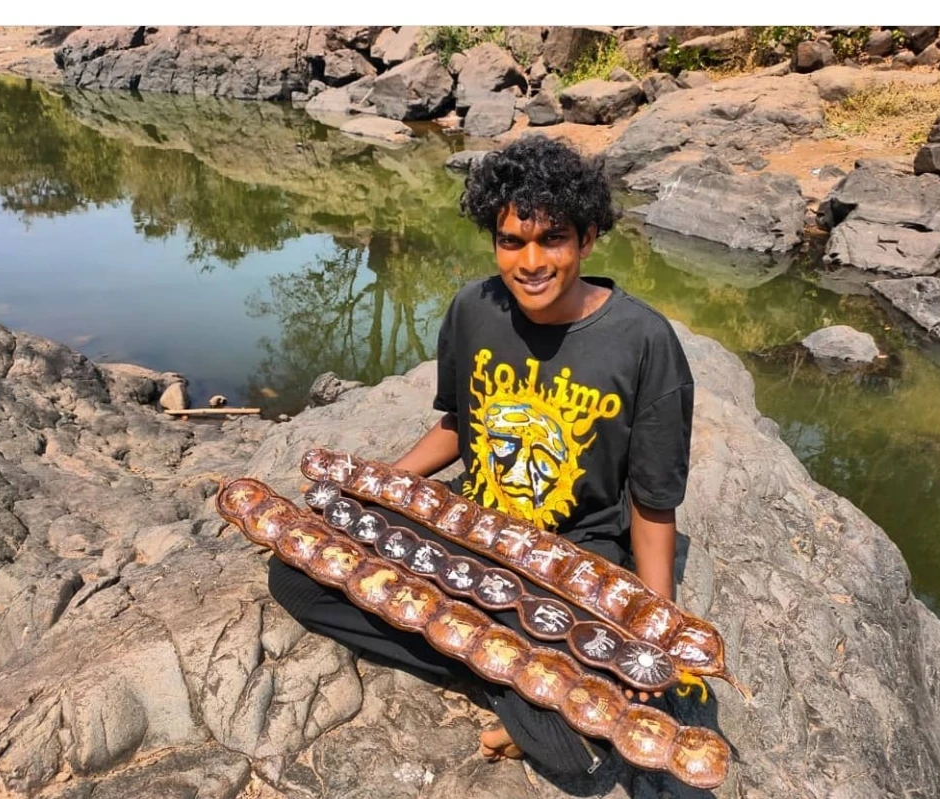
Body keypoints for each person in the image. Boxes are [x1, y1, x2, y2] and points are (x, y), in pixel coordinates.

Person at [268, 135, 694, 777]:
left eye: (552, 239)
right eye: (511, 241)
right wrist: (379, 488)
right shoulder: (476, 309)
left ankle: (507, 668)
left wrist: (649, 631)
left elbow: (654, 506)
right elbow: (459, 426)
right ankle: (506, 673)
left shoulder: (644, 342)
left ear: (587, 238)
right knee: (297, 576)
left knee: (582, 755)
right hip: (467, 526)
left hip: (569, 560)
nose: (530, 262)